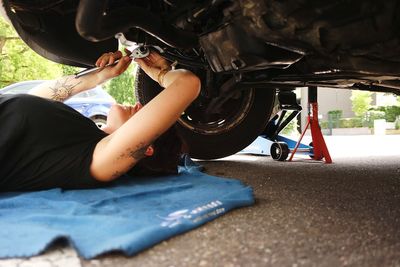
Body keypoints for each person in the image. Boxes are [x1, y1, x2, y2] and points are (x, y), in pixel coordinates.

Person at [0, 50, 201, 191]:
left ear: (147, 146)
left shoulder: (97, 161)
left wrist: (161, 73)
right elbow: (34, 99)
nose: (139, 105)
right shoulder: (82, 133)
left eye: (144, 112)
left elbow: (188, 84)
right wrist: (99, 77)